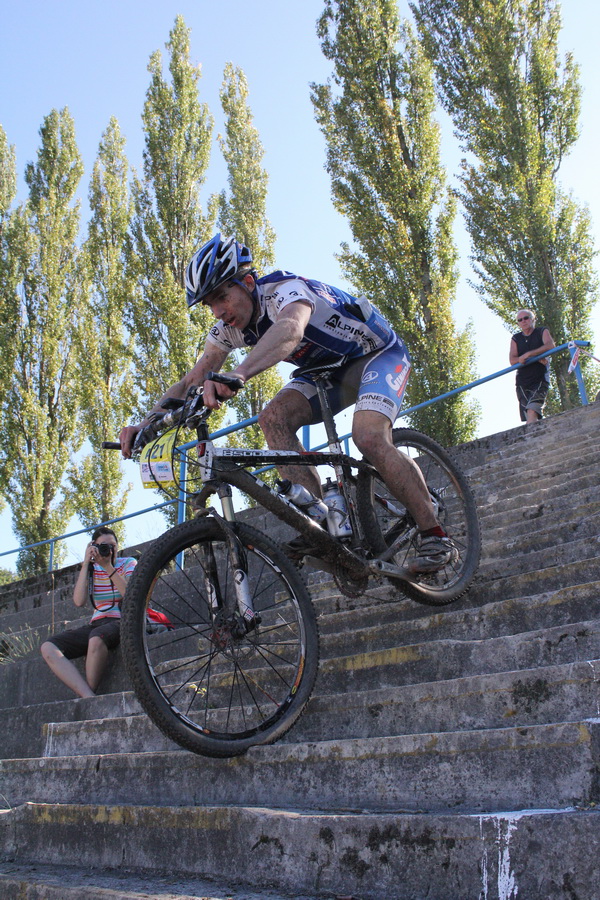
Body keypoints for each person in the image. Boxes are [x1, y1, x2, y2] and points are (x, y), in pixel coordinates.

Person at [119, 234, 456, 573]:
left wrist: (240, 373)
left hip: (375, 355)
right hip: (325, 370)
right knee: (272, 418)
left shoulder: (285, 290)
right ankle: (320, 524)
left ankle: (435, 534)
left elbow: (290, 328)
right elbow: (194, 379)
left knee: (367, 437)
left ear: (248, 282)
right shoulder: (227, 329)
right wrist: (148, 423)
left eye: (222, 296)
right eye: (210, 304)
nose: (219, 311)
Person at [40, 527, 137, 698]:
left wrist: (108, 567)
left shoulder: (128, 563)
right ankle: (88, 696)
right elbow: (78, 601)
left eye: (113, 545)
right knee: (48, 647)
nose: (109, 550)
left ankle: (89, 698)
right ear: (94, 547)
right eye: (103, 546)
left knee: (96, 638)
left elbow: (131, 595)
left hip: (122, 620)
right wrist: (86, 563)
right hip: (97, 623)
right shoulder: (92, 569)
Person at [509, 310, 555, 424]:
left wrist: (529, 354)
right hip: (522, 382)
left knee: (532, 410)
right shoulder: (516, 338)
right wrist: (533, 357)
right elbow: (513, 361)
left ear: (533, 319)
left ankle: (531, 439)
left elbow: (550, 345)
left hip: (540, 378)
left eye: (526, 318)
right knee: (528, 413)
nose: (523, 321)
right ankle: (534, 437)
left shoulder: (541, 331)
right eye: (520, 320)